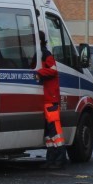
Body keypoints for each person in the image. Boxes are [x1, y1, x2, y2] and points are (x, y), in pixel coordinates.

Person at [36, 31, 67, 169]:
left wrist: (39, 72)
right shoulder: (41, 53)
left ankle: (60, 159)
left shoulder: (45, 54)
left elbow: (53, 70)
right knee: (49, 133)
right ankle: (51, 160)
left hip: (51, 98)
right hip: (46, 98)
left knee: (55, 130)